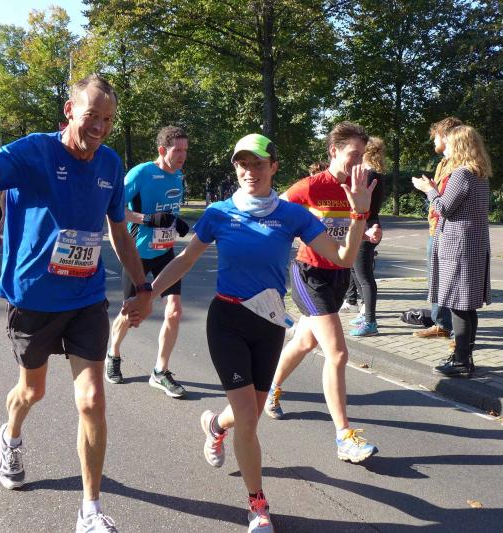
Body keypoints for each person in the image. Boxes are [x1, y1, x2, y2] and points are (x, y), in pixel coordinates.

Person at [0, 54, 153, 533]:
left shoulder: (111, 163)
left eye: (108, 119)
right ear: (69, 110)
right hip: (34, 298)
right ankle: (11, 436)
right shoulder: (33, 152)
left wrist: (142, 287)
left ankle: (90, 510)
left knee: (92, 399)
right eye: (92, 115)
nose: (100, 126)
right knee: (32, 391)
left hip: (86, 298)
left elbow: (119, 230)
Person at [124, 133, 374, 533]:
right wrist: (148, 294)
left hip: (269, 325)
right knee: (248, 419)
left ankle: (214, 426)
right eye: (243, 164)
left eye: (258, 164)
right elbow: (185, 260)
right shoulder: (219, 213)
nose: (250, 171)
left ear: (274, 167)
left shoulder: (291, 215)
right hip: (227, 321)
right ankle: (257, 505)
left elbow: (342, 258)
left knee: (248, 415)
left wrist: (359, 215)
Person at [262, 121, 381, 465]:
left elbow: (350, 230)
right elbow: (274, 209)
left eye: (363, 155)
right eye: (353, 154)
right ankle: (344, 436)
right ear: (333, 151)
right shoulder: (312, 186)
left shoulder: (359, 186)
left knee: (304, 342)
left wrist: (369, 233)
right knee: (338, 353)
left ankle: (270, 388)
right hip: (309, 274)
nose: (359, 162)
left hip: (338, 275)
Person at [106, 126, 190, 397]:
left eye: (185, 150)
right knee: (130, 313)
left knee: (174, 310)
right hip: (138, 254)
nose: (182, 156)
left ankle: (160, 371)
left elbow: (167, 210)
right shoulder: (141, 173)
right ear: (162, 150)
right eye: (177, 150)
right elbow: (113, 208)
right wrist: (147, 219)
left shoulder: (178, 176)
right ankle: (113, 354)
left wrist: (175, 221)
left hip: (165, 253)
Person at [411, 125, 492, 376]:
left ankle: (460, 362)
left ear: (459, 146)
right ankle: (465, 357)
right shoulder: (479, 173)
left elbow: (444, 208)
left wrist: (429, 190)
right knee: (467, 306)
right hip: (473, 244)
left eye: (450, 143)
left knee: (459, 305)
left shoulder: (461, 173)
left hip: (458, 246)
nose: (446, 147)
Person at [412, 117, 463, 340]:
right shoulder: (443, 163)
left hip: (448, 230)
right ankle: (441, 323)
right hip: (436, 226)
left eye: (435, 136)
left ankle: (455, 332)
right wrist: (431, 188)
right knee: (436, 278)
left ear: (445, 136)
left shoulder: (459, 166)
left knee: (449, 280)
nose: (433, 140)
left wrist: (428, 190)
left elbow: (448, 203)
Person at [345, 137, 385, 336]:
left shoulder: (368, 175)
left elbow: (361, 204)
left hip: (366, 226)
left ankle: (370, 321)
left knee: (364, 276)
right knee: (355, 271)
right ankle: (364, 313)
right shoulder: (374, 173)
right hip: (368, 223)